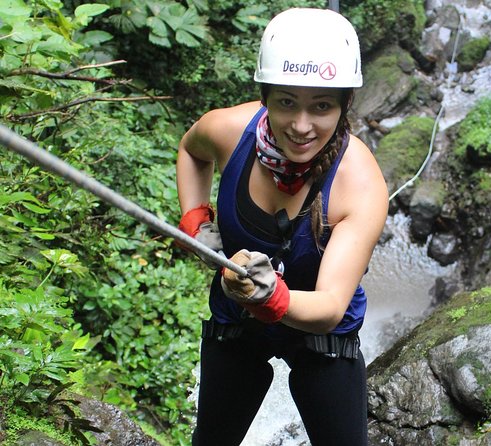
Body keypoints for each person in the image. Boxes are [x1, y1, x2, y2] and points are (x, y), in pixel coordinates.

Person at [176, 7, 388, 446]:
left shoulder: (360, 185)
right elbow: (191, 150)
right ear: (265, 95)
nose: (302, 125)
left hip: (321, 337)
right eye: (286, 101)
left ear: (346, 105)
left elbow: (330, 305)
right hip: (238, 318)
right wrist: (197, 220)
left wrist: (271, 296)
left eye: (322, 106)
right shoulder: (230, 131)